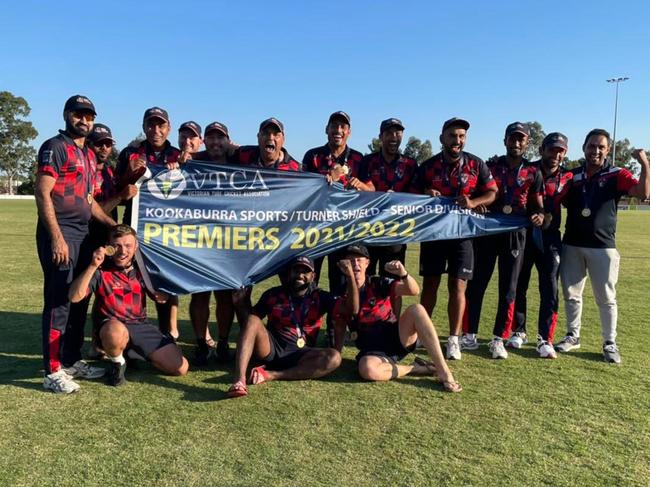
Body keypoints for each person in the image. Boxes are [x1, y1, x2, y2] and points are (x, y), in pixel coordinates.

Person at [35, 95, 117, 393]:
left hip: (83, 233)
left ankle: (70, 360)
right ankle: (52, 371)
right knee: (58, 302)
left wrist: (112, 226)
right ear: (67, 115)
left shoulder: (89, 155)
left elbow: (89, 200)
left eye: (89, 116)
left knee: (77, 300)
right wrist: (56, 236)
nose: (84, 120)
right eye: (78, 115)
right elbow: (43, 193)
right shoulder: (55, 147)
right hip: (61, 233)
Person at [556, 130, 649, 363]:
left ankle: (610, 343)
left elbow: (643, 193)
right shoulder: (572, 175)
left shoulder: (617, 174)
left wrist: (645, 164)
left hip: (603, 247)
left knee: (606, 297)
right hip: (573, 244)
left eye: (601, 147)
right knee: (571, 295)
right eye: (591, 146)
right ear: (584, 147)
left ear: (607, 150)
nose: (595, 151)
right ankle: (572, 336)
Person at [411, 117, 497, 360]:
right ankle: (421, 334)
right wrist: (426, 194)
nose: (457, 140)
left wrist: (474, 202)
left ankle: (453, 340)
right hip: (435, 235)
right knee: (430, 286)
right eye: (452, 136)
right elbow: (410, 193)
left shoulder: (475, 164)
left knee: (458, 287)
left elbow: (492, 192)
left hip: (463, 235)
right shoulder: (428, 166)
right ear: (442, 139)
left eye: (461, 136)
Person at [68, 224, 189, 386]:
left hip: (140, 326)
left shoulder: (143, 269)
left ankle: (133, 353)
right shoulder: (101, 270)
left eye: (128, 245)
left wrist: (168, 290)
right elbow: (74, 297)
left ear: (136, 246)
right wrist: (92, 265)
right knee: (115, 332)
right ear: (108, 246)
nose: (123, 251)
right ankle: (117, 363)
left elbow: (161, 298)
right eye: (117, 246)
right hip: (112, 326)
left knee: (180, 368)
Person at [463, 122, 544, 359]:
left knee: (509, 289)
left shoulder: (533, 172)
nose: (516, 143)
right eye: (512, 138)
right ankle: (470, 334)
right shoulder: (489, 167)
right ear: (505, 140)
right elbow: (478, 195)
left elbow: (537, 205)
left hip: (515, 234)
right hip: (488, 233)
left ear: (527, 143)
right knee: (477, 284)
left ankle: (499, 338)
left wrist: (539, 215)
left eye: (521, 139)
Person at [226, 256, 357, 398]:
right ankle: (240, 380)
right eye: (296, 270)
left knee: (334, 358)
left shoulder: (320, 296)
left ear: (313, 276)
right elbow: (248, 326)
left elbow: (352, 310)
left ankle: (272, 375)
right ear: (289, 273)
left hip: (302, 354)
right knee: (252, 319)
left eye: (305, 272)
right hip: (272, 349)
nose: (300, 275)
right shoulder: (273, 294)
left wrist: (350, 277)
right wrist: (241, 305)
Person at [336, 245, 461, 392]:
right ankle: (416, 369)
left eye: (359, 260)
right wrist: (337, 357)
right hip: (372, 350)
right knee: (367, 370)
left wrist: (404, 274)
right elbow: (339, 325)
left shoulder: (377, 283)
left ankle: (443, 371)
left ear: (367, 263)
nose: (355, 264)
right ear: (343, 266)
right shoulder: (340, 293)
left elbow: (413, 290)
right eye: (350, 261)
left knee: (417, 309)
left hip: (396, 338)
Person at [116, 106, 181, 339]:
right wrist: (128, 175)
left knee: (165, 283)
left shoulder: (177, 155)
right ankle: (129, 333)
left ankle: (167, 334)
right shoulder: (130, 154)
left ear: (168, 128)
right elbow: (115, 191)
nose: (156, 130)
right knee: (129, 280)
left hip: (166, 231)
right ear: (144, 127)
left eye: (161, 125)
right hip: (134, 228)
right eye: (151, 125)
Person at [188, 121, 248, 364]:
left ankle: (223, 342)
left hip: (229, 240)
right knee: (200, 295)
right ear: (204, 141)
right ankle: (202, 343)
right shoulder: (193, 162)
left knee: (225, 296)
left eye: (220, 138)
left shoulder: (240, 162)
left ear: (228, 140)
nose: (215, 142)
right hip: (199, 238)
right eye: (211, 138)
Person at [514, 133, 573, 358]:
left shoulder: (570, 176)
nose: (556, 155)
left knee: (549, 287)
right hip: (524, 235)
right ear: (542, 150)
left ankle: (545, 338)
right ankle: (519, 331)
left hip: (550, 239)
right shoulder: (527, 171)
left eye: (561, 151)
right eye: (552, 149)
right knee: (519, 284)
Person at [87, 123, 137, 359]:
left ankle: (102, 341)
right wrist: (120, 196)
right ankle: (91, 345)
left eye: (108, 144)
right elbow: (91, 211)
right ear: (88, 143)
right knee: (86, 293)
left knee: (104, 294)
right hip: (87, 238)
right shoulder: (85, 172)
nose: (104, 148)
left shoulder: (107, 171)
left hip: (109, 240)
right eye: (99, 143)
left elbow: (123, 195)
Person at [302, 111, 364, 295]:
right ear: (326, 130)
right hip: (316, 228)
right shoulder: (312, 156)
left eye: (342, 126)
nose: (338, 130)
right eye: (334, 126)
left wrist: (360, 186)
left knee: (341, 282)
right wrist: (328, 178)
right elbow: (303, 188)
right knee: (310, 277)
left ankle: (335, 324)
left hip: (343, 230)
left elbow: (371, 190)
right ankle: (308, 321)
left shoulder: (359, 158)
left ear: (349, 132)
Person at [230, 118, 300, 171]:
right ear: (258, 137)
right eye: (266, 134)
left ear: (283, 139)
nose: (270, 138)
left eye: (276, 135)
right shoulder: (243, 154)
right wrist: (228, 146)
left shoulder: (295, 169)